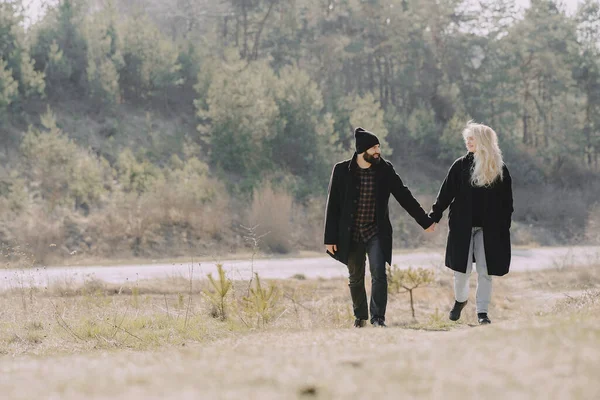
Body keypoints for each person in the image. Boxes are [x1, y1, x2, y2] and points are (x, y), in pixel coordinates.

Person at [324, 127, 435, 328]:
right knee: (355, 278)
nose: (378, 151)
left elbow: (403, 195)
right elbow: (333, 206)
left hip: (376, 231)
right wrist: (329, 238)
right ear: (362, 150)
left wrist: (424, 221)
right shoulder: (341, 171)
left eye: (378, 147)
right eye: (374, 147)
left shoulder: (385, 169)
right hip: (351, 233)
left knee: (379, 274)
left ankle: (378, 318)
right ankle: (361, 317)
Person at [428, 121, 514, 325]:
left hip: (489, 229)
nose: (468, 141)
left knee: (485, 272)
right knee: (461, 271)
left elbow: (507, 203)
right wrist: (434, 216)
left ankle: (482, 312)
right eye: (467, 138)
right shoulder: (459, 166)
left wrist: (503, 228)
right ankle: (460, 300)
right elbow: (445, 194)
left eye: (472, 138)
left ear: (483, 141)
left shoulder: (498, 168)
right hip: (461, 227)